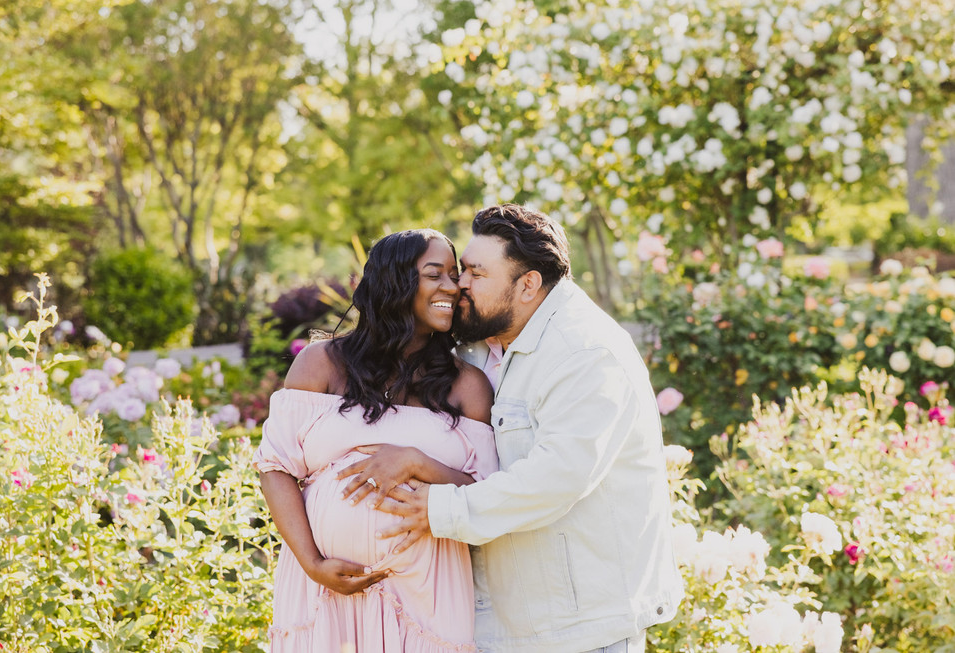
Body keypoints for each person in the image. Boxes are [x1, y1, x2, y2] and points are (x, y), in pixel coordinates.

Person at [350, 205, 684, 652]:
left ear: (528, 284)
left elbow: (557, 477)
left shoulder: (585, 353)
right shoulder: (489, 348)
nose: (459, 283)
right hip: (512, 624)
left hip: (579, 631)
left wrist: (439, 509)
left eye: (474, 273)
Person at [252, 228, 498, 652]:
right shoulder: (321, 363)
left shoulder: (468, 385)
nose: (453, 286)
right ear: (394, 282)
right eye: (434, 273)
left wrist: (417, 462)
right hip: (323, 593)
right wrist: (313, 564)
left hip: (428, 596)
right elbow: (276, 467)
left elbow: (489, 498)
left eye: (454, 274)